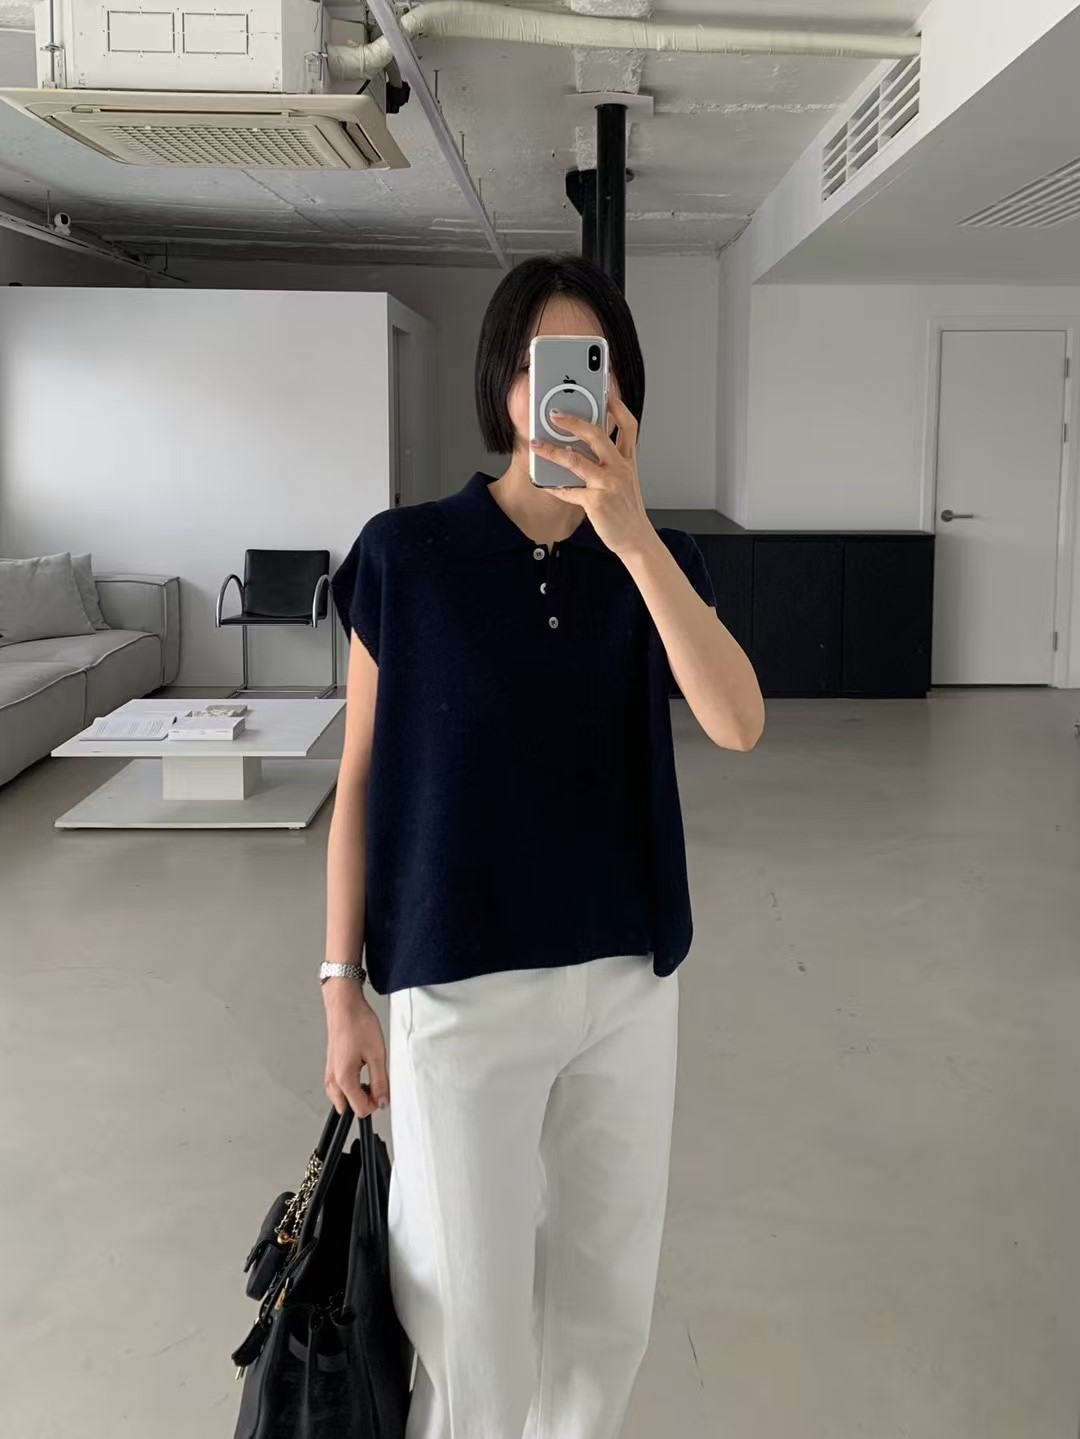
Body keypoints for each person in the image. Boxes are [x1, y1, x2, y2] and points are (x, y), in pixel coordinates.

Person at [323, 254, 764, 1439]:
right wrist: (338, 989)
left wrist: (633, 538)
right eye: (536, 364)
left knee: (605, 1315)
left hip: (626, 987)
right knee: (466, 1323)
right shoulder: (406, 555)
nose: (562, 390)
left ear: (622, 390)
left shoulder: (652, 561)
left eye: (588, 365)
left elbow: (738, 721)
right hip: (458, 991)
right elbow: (358, 779)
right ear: (501, 387)